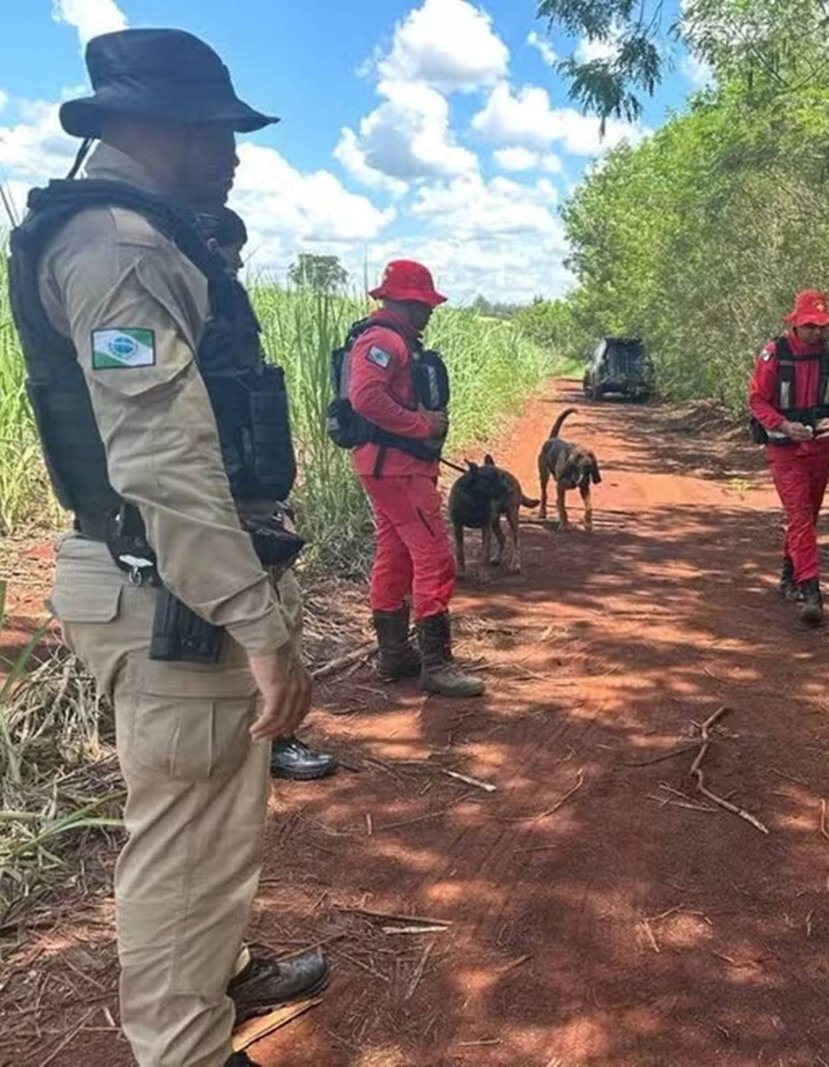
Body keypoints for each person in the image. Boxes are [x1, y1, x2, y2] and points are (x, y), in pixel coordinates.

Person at [6, 28, 328, 1067]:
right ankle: (185, 1046)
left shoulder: (131, 234)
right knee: (188, 839)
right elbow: (163, 459)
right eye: (219, 133)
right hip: (170, 592)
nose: (232, 155)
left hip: (165, 578)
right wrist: (258, 624)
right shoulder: (122, 248)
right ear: (163, 127)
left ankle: (218, 969)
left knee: (212, 817)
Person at [196, 206, 337, 783]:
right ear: (210, 243)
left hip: (248, 495)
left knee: (282, 609)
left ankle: (268, 737)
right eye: (231, 253)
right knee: (263, 620)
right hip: (221, 500)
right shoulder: (189, 301)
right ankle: (268, 740)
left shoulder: (219, 306)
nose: (235, 265)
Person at [345, 260, 485, 697]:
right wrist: (420, 425)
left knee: (395, 555)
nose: (430, 312)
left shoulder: (388, 339)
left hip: (388, 467)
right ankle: (437, 665)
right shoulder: (384, 340)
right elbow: (365, 396)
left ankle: (395, 655)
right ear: (407, 302)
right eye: (425, 305)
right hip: (398, 469)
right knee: (434, 558)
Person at [748, 288, 829, 627]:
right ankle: (812, 592)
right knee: (799, 515)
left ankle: (789, 574)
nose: (817, 333)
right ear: (795, 324)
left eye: (822, 327)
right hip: (785, 450)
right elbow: (757, 400)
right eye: (810, 326)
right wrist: (783, 425)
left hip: (821, 449)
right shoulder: (774, 354)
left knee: (808, 517)